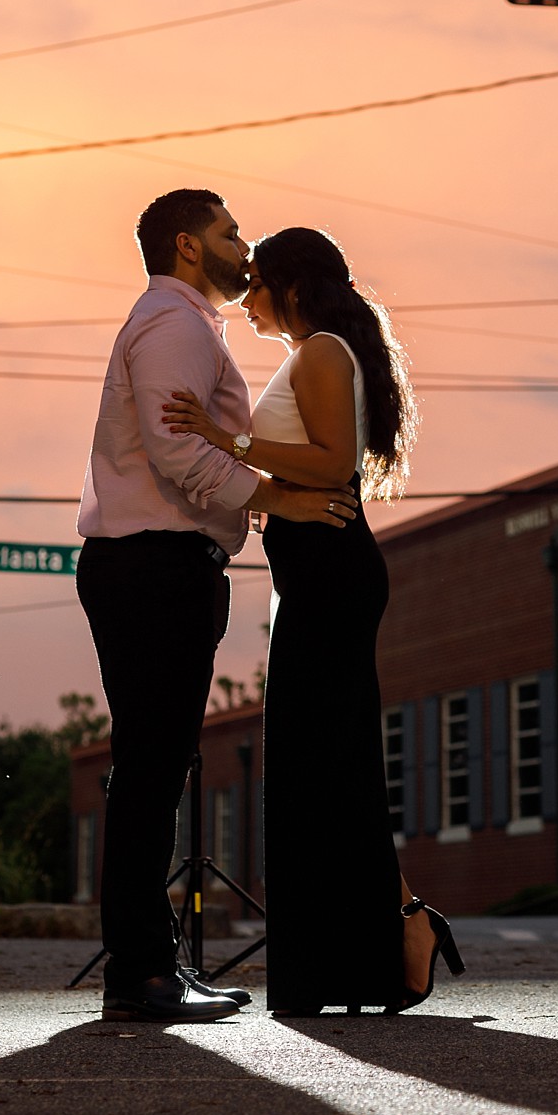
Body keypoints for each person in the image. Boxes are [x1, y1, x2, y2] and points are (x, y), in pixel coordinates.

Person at [163, 225, 463, 1015]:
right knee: (325, 769)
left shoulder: (325, 348)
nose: (249, 294)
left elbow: (332, 463)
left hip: (332, 574)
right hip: (316, 575)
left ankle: (371, 949)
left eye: (258, 280)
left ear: (292, 284)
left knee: (320, 769)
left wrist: (223, 435)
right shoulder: (314, 352)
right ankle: (382, 942)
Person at [75, 188, 358, 1024]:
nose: (246, 244)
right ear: (188, 245)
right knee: (151, 770)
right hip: (151, 565)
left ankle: (150, 963)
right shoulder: (173, 324)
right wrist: (280, 496)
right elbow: (174, 446)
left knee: (154, 768)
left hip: (160, 564)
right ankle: (140, 973)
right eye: (230, 231)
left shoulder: (186, 324)